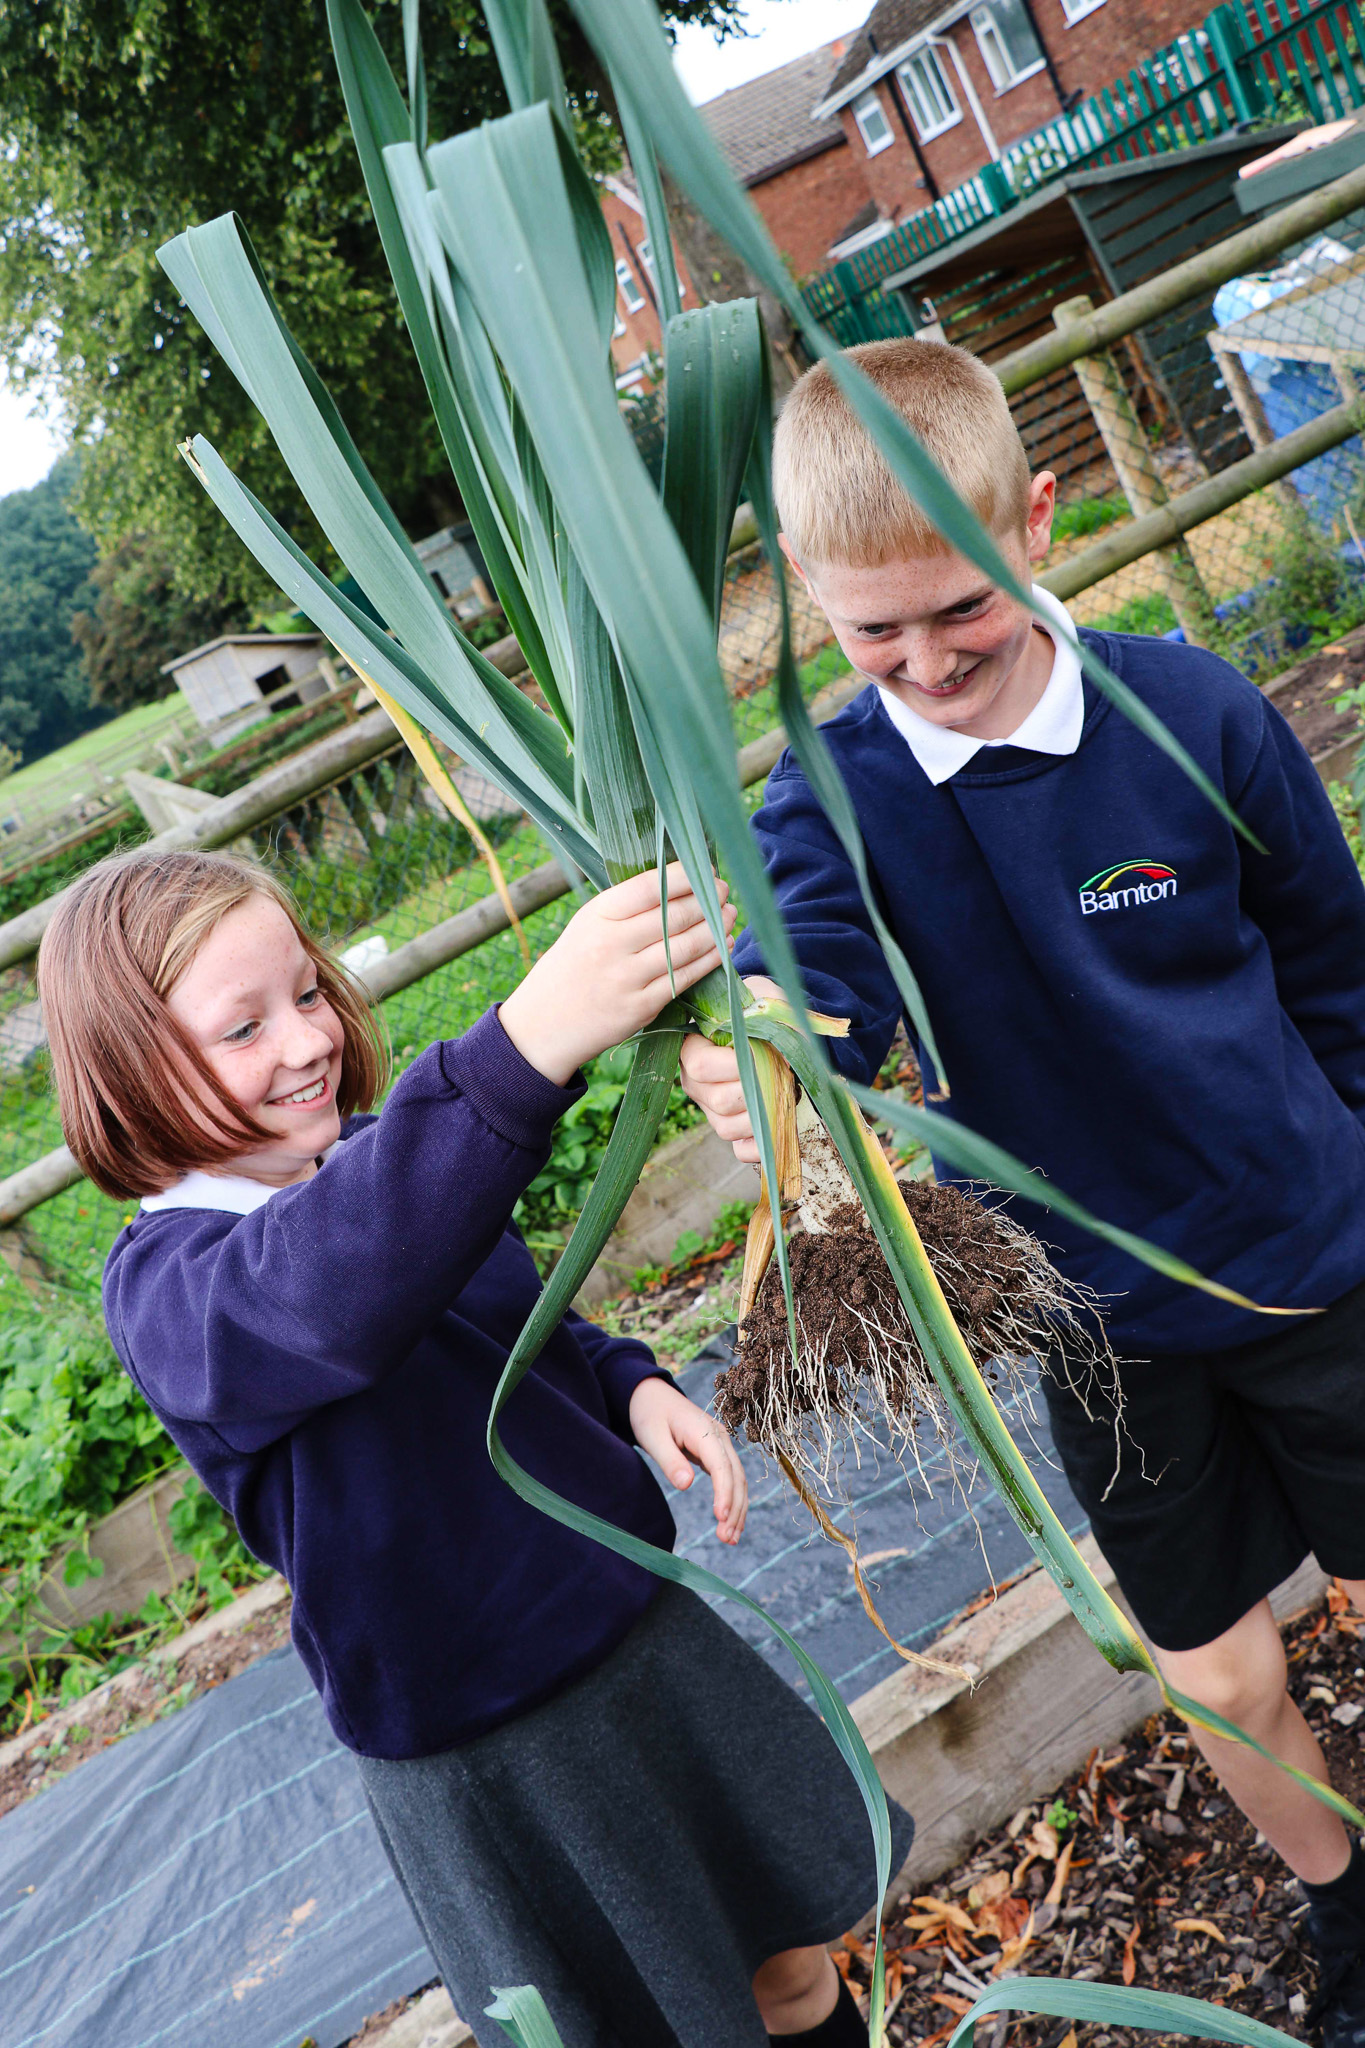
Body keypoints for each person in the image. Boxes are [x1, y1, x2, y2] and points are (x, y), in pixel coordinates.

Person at [680, 337, 1365, 2046]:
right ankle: (1345, 1905)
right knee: (1211, 1662)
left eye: (955, 612)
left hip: (1313, 1258)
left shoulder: (1192, 714)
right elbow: (806, 958)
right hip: (1096, 1321)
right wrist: (769, 1038)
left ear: (1034, 519)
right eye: (869, 635)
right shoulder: (833, 795)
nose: (923, 664)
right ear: (807, 610)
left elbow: (1339, 970)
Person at [38, 846, 912, 2048]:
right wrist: (524, 1046)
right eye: (241, 1028)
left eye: (304, 992)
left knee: (794, 1976)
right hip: (492, 1751)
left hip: (634, 1644)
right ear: (128, 1074)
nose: (303, 1042)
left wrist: (623, 1382)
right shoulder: (176, 1293)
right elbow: (341, 1294)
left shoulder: (369, 1159)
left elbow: (500, 1309)